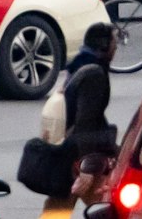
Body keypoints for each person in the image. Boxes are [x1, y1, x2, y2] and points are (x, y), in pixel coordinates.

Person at [48, 24, 120, 210]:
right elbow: (85, 122)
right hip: (83, 156)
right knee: (103, 209)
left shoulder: (79, 65)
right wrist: (86, 168)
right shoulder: (94, 75)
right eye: (114, 42)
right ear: (103, 45)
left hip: (70, 152)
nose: (116, 47)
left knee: (58, 209)